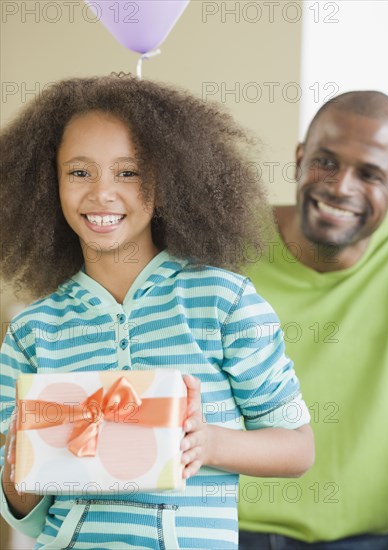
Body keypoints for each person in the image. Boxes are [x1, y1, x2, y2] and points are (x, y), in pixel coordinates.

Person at [0, 75, 314, 550]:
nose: (102, 193)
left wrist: (210, 443)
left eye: (128, 172)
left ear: (167, 181)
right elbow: (25, 514)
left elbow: (298, 447)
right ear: (49, 184)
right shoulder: (31, 331)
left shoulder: (223, 302)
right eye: (79, 172)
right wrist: (17, 475)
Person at [239, 91, 388, 549]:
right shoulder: (224, 247)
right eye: (326, 162)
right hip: (225, 531)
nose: (340, 186)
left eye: (369, 174)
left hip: (375, 540)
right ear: (299, 159)